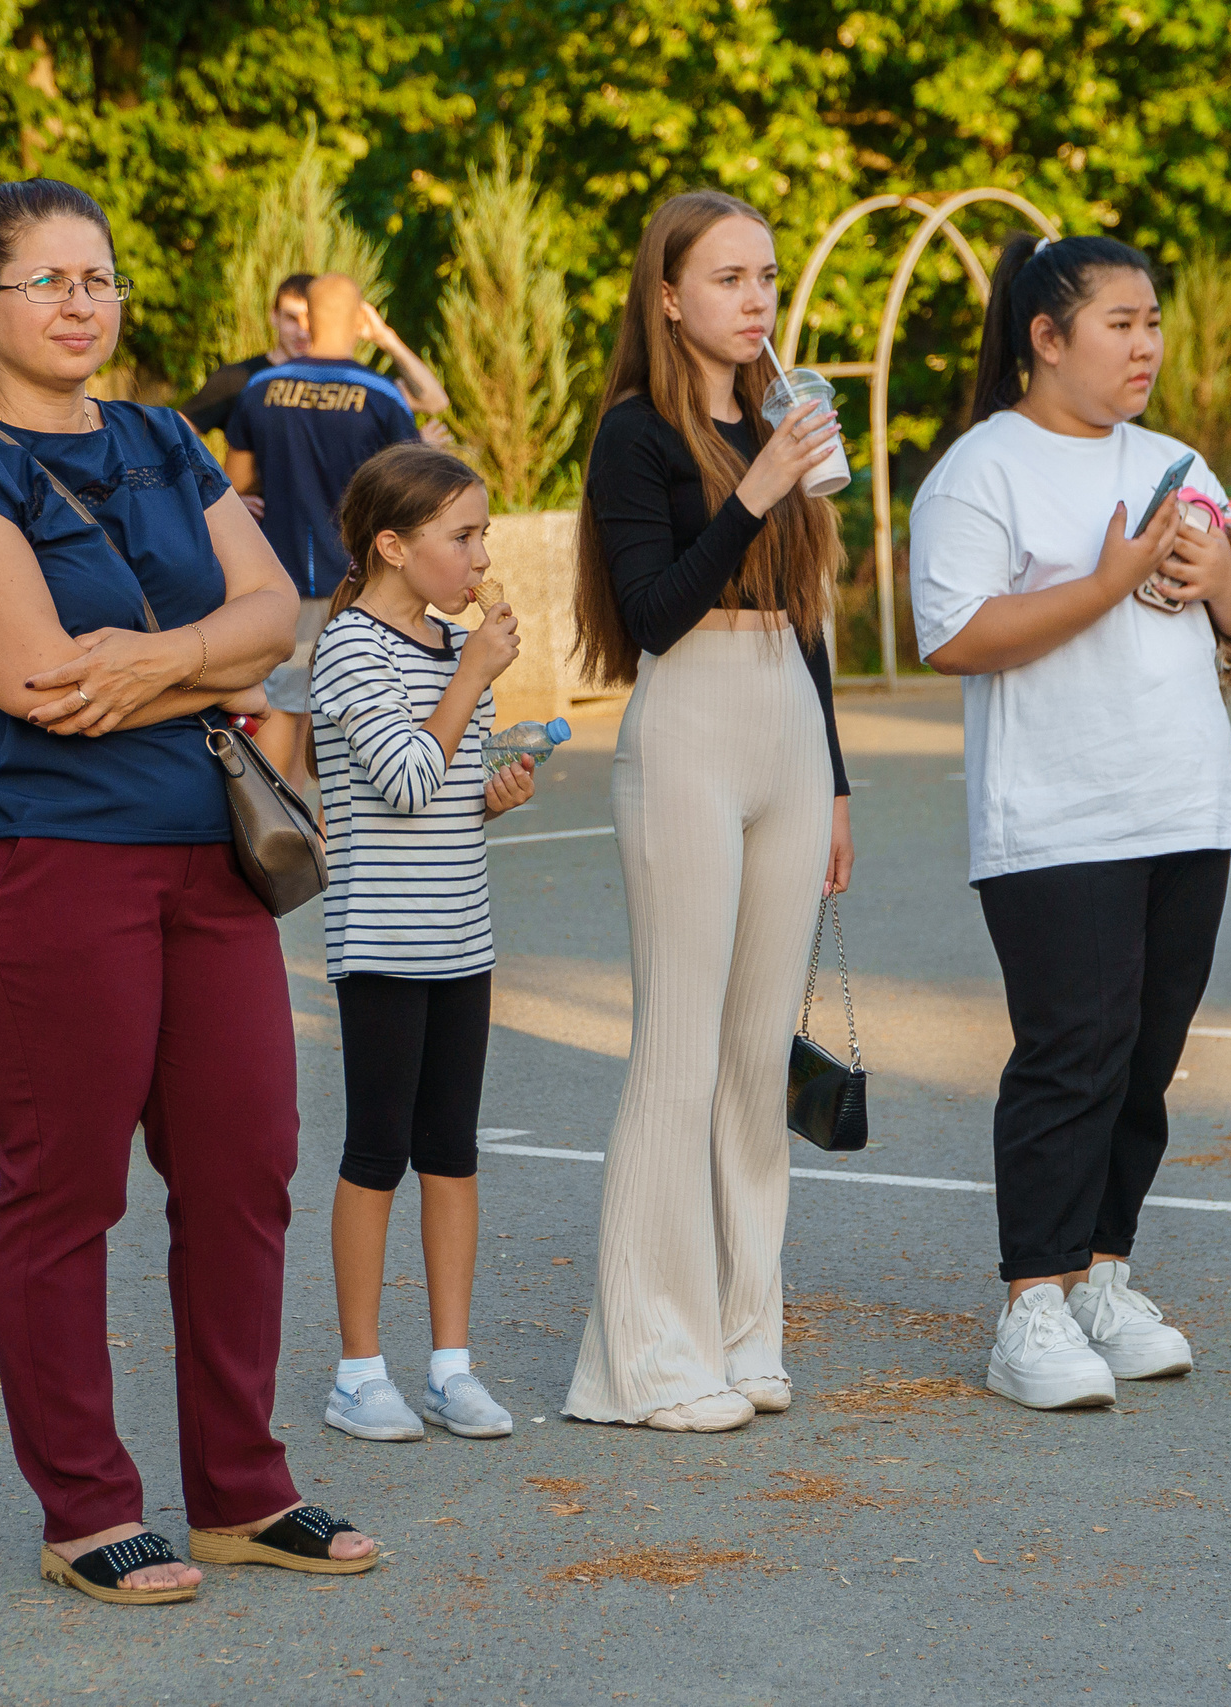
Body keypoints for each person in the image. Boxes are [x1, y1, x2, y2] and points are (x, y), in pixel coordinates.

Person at [0, 175, 375, 1605]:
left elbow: (281, 612)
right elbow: (42, 684)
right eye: (47, 281)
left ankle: (238, 1489)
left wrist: (159, 660)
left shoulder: (165, 436)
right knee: (67, 1188)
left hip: (205, 862)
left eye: (98, 278)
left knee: (243, 1169)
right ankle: (87, 1506)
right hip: (39, 868)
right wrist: (210, 656)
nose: (82, 303)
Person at [908, 233, 1231, 1412]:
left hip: (1184, 801)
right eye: (1120, 322)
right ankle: (1031, 1302)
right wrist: (1113, 578)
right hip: (1055, 818)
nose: (1145, 345)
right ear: (1045, 336)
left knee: (1144, 1061)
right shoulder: (980, 471)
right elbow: (956, 638)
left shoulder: (1178, 460)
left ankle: (1102, 1279)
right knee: (1070, 1055)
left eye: (1153, 321)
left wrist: (1223, 579)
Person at [560, 190, 853, 1436]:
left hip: (785, 710)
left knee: (750, 1059)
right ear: (667, 296)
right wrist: (755, 488)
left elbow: (810, 614)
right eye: (728, 279)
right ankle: (645, 1359)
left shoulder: (777, 411)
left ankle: (743, 1328)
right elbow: (650, 616)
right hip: (687, 722)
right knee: (677, 1054)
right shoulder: (638, 433)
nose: (755, 301)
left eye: (768, 278)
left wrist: (834, 780)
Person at [312, 443, 534, 1445]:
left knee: (452, 1152)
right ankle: (359, 1373)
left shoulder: (452, 650)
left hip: (460, 936)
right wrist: (475, 672)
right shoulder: (351, 648)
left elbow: (439, 793)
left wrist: (491, 795)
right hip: (384, 944)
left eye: (482, 533)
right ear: (393, 547)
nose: (480, 556)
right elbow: (402, 779)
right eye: (463, 536)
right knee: (376, 1153)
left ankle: (451, 1366)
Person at [222, 273, 430, 794]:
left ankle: (277, 832)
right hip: (359, 579)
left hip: (280, 574)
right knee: (345, 713)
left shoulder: (260, 389)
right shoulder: (382, 395)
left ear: (308, 319)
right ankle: (329, 831)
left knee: (282, 708)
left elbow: (237, 485)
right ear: (359, 320)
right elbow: (412, 495)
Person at [177, 272, 316, 451]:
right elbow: (174, 434)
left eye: (310, 318)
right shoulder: (236, 378)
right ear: (274, 316)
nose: (302, 331)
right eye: (292, 318)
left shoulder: (339, 384)